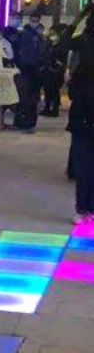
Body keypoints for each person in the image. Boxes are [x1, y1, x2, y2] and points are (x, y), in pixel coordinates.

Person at [67, 40, 94, 222]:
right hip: (84, 122)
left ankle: (84, 208)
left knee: (85, 167)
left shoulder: (81, 70)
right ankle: (86, 207)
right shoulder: (83, 72)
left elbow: (72, 93)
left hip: (82, 122)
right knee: (85, 167)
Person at [14, 13, 45, 132]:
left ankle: (29, 122)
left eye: (36, 20)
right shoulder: (24, 34)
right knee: (25, 97)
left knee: (32, 97)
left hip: (35, 69)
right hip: (25, 69)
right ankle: (25, 122)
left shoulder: (39, 35)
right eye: (33, 20)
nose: (34, 22)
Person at [40, 25, 67, 117]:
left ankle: (54, 109)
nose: (51, 34)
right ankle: (47, 108)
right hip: (48, 70)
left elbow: (60, 59)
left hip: (56, 72)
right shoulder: (49, 44)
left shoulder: (62, 45)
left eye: (53, 32)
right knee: (48, 90)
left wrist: (56, 63)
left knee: (54, 91)